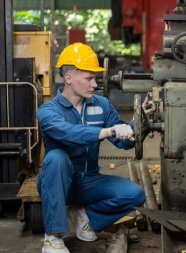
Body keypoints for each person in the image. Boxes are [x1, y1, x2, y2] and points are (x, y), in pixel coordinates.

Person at [37, 43, 145, 253]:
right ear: (69, 78)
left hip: (90, 182)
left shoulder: (102, 105)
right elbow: (70, 133)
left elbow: (123, 142)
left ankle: (85, 218)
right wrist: (107, 131)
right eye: (89, 78)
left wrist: (139, 121)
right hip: (59, 184)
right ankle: (52, 237)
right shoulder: (48, 110)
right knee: (56, 158)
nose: (95, 84)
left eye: (95, 78)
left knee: (135, 194)